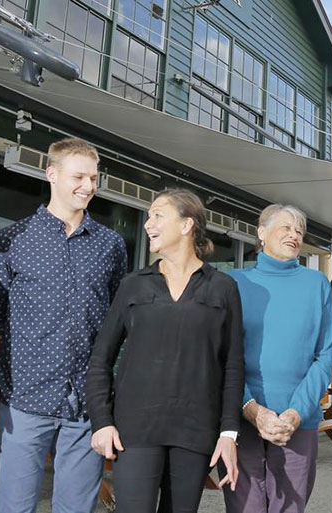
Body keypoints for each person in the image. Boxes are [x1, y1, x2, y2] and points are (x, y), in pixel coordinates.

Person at [0, 138, 128, 513]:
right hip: (23, 402)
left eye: (94, 178)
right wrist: (10, 375)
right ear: (52, 174)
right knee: (14, 507)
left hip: (87, 405)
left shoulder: (111, 245)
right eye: (78, 176)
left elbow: (117, 323)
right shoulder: (11, 241)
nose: (88, 186)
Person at [86, 188, 243, 513]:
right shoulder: (134, 284)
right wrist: (102, 421)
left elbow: (233, 365)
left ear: (186, 225)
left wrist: (228, 432)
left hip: (196, 430)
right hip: (135, 429)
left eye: (158, 215)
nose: (147, 224)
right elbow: (101, 359)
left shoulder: (223, 287)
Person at [224, 204, 332, 513]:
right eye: (286, 227)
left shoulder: (317, 285)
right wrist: (253, 411)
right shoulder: (233, 283)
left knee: (289, 508)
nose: (294, 234)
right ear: (261, 233)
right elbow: (220, 354)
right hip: (240, 415)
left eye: (299, 230)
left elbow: (325, 355)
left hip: (297, 423)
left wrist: (295, 413)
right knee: (244, 508)